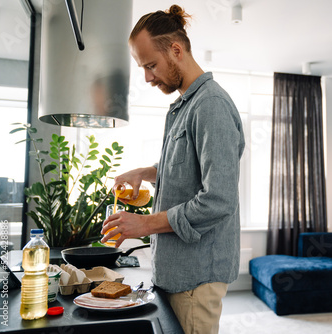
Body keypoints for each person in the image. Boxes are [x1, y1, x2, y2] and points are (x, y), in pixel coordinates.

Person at [100, 4, 245, 333]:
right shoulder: (185, 106)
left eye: (151, 65)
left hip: (196, 278)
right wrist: (146, 172)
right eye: (143, 68)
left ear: (176, 50)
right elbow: (188, 166)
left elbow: (218, 199)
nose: (148, 77)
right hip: (174, 272)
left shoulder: (211, 106)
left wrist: (145, 224)